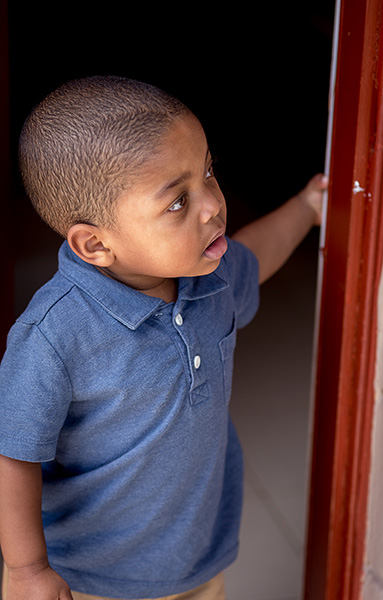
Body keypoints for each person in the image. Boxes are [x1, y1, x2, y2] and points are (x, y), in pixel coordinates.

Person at [0, 76, 327, 600]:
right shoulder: (53, 337)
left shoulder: (210, 275)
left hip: (195, 560)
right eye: (178, 201)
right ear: (96, 244)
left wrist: (308, 208)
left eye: (209, 172)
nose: (211, 205)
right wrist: (28, 570)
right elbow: (13, 454)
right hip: (89, 578)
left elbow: (256, 252)